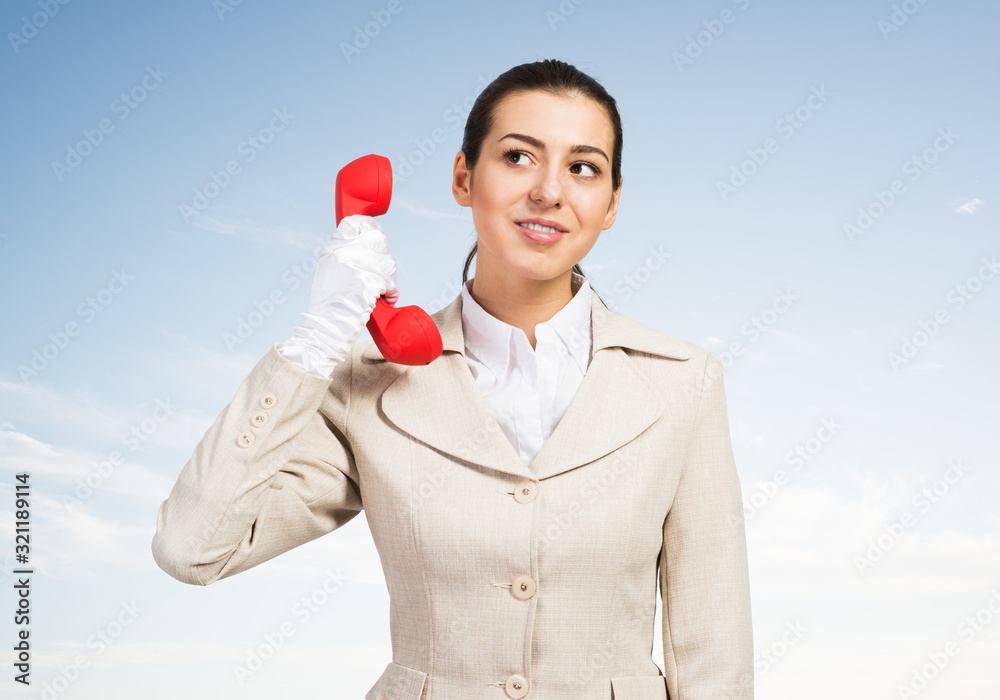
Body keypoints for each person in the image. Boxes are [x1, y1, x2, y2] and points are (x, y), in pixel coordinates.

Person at [152, 58, 753, 700]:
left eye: (583, 167)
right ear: (465, 178)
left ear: (611, 203)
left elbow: (712, 647)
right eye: (519, 157)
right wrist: (315, 342)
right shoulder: (368, 384)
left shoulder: (683, 381)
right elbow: (193, 549)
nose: (550, 191)